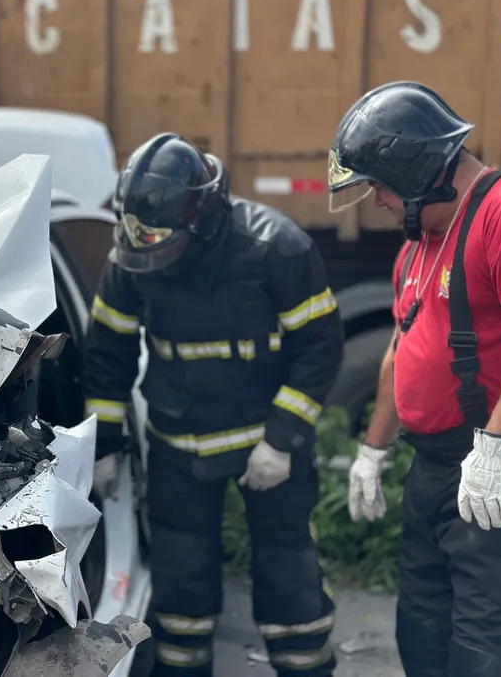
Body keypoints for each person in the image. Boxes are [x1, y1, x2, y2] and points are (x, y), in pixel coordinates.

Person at [81, 132, 345, 677]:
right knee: (181, 588)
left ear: (200, 218)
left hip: (265, 444)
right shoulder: (131, 260)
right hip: (177, 447)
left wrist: (283, 439)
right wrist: (105, 446)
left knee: (290, 578)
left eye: (157, 235)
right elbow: (107, 354)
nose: (145, 247)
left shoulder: (277, 248)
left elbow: (318, 348)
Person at [329, 80, 501, 677]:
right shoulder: (421, 246)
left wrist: (497, 447)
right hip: (435, 469)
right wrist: (372, 450)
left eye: (376, 184)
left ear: (416, 171)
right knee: (422, 630)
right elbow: (402, 348)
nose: (374, 200)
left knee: (491, 647)